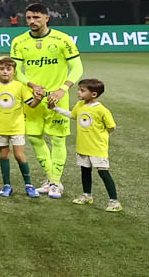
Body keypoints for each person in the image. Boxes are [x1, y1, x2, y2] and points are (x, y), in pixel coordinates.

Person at [11, 1, 84, 199]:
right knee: (35, 138)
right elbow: (16, 70)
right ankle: (53, 180)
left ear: (46, 18)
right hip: (33, 97)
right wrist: (32, 86)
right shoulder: (18, 42)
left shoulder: (63, 39)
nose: (32, 21)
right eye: (29, 18)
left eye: (36, 17)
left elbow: (77, 68)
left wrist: (63, 89)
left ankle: (54, 182)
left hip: (56, 97)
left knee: (58, 139)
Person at [49, 78, 119, 211]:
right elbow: (73, 115)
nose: (78, 93)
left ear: (93, 94)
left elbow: (111, 127)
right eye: (79, 90)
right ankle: (87, 195)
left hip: (97, 147)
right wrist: (56, 109)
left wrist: (99, 136)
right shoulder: (80, 105)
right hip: (83, 146)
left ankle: (114, 201)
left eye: (82, 90)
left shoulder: (102, 110)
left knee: (103, 173)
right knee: (85, 171)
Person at [0, 55, 40, 197]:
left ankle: (29, 185)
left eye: (9, 69)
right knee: (4, 155)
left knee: (19, 155)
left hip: (17, 128)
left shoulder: (20, 86)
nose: (5, 72)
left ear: (14, 72)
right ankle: (6, 185)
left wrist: (38, 99)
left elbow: (32, 105)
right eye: (2, 69)